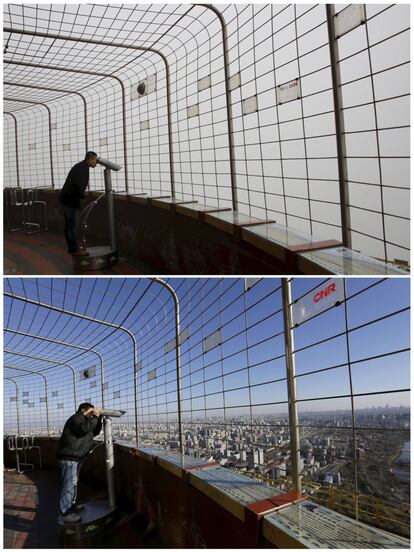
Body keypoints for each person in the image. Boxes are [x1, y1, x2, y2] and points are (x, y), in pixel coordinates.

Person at [56, 403, 103, 523]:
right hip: (69, 457)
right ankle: (66, 513)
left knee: (73, 484)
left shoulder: (85, 421)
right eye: (90, 411)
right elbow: (83, 429)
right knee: (69, 486)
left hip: (75, 457)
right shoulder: (76, 419)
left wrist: (99, 419)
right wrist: (95, 418)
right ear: (83, 410)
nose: (92, 413)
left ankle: (71, 508)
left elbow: (94, 432)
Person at [59, 152, 98, 257]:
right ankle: (75, 250)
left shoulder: (81, 166)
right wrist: (82, 195)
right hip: (70, 200)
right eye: (95, 160)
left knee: (69, 225)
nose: (96, 162)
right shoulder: (83, 169)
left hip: (67, 199)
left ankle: (73, 248)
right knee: (72, 225)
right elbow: (78, 185)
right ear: (89, 159)